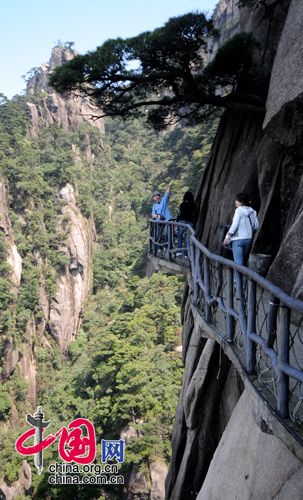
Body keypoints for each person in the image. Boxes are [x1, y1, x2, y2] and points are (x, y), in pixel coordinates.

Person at [223, 192, 259, 296]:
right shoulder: (252, 211)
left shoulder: (238, 211)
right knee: (241, 262)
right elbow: (256, 226)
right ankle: (236, 282)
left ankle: (240, 291)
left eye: (237, 200)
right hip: (248, 239)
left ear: (241, 202)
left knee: (239, 264)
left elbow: (234, 225)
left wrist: (227, 237)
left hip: (238, 240)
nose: (235, 202)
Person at [151, 181, 173, 252]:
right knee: (157, 235)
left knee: (166, 234)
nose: (155, 197)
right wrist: (158, 216)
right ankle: (159, 248)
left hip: (166, 220)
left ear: (159, 196)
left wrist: (169, 186)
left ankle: (167, 248)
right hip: (159, 222)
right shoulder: (154, 205)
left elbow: (167, 193)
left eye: (156, 195)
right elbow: (153, 215)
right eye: (154, 196)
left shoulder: (164, 200)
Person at [176, 191, 197, 257]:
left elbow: (180, 213)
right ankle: (186, 253)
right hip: (189, 223)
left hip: (182, 222)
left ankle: (179, 251)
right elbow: (195, 213)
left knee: (180, 236)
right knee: (187, 239)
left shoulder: (182, 204)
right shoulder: (193, 205)